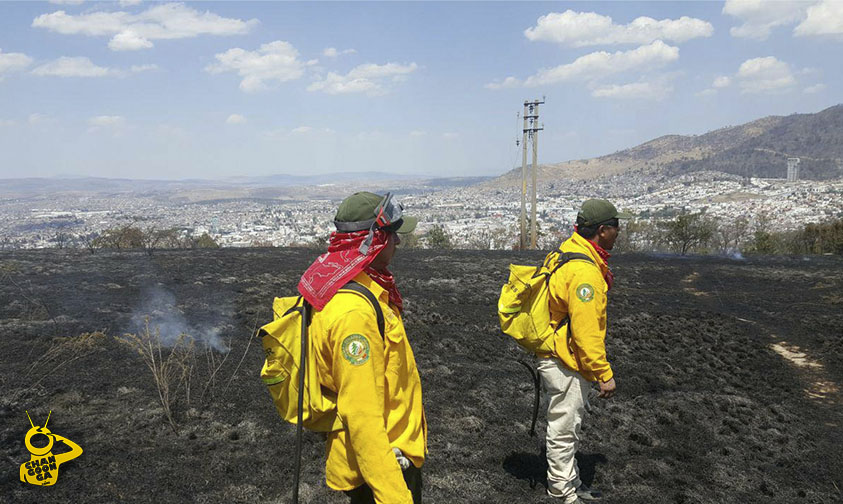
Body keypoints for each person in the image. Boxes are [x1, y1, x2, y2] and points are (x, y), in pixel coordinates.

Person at [297, 191, 426, 504]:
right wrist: (395, 495)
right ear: (376, 240)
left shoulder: (350, 283)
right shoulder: (355, 315)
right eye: (393, 235)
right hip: (383, 468)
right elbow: (362, 415)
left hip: (385, 457)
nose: (398, 242)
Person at [540, 199, 629, 503]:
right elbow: (586, 329)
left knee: (567, 425)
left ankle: (572, 482)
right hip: (564, 357)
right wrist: (603, 374)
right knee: (564, 428)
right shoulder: (586, 272)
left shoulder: (567, 250)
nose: (619, 232)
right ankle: (563, 493)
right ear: (603, 230)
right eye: (616, 226)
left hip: (556, 349)